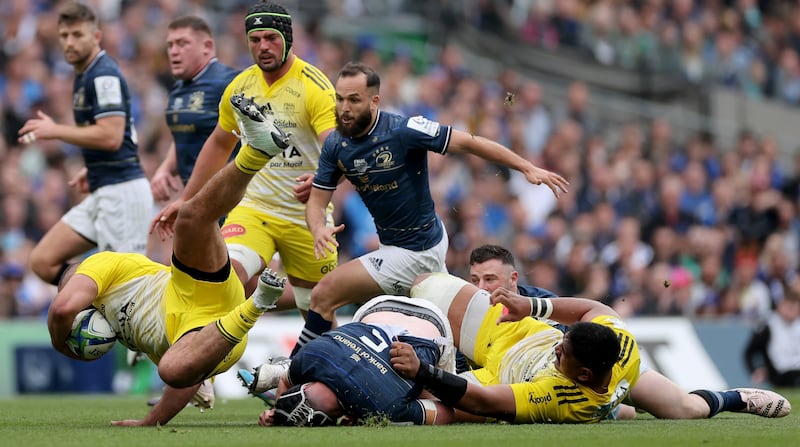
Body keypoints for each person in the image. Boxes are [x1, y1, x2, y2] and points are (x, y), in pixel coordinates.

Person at [47, 90, 292, 426]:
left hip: (192, 290)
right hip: (208, 334)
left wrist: (59, 343)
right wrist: (151, 423)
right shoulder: (128, 331)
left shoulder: (100, 265)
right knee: (171, 369)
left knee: (191, 216)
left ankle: (257, 150)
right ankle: (258, 303)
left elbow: (62, 309)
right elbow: (182, 376)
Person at [294, 61, 569, 355]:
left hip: (417, 250)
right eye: (339, 98)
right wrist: (318, 227)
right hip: (403, 246)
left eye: (354, 100)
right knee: (459, 335)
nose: (344, 108)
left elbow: (470, 143)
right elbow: (318, 200)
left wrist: (526, 167)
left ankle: (293, 375)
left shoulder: (403, 130)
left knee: (323, 294)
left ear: (374, 101)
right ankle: (528, 346)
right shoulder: (336, 144)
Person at [395, 272, 791, 422]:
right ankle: (738, 398)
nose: (556, 350)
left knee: (425, 401)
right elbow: (593, 308)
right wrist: (532, 306)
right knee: (687, 408)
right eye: (561, 343)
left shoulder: (557, 395)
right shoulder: (622, 346)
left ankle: (621, 412)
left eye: (561, 354)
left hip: (500, 371)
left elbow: (482, 401)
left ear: (582, 373)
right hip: (514, 329)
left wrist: (424, 373)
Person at [153, 1, 337, 318]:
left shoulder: (314, 86)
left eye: (271, 38)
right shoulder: (240, 87)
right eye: (255, 40)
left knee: (318, 312)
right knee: (227, 276)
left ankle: (287, 313)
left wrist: (322, 182)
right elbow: (218, 145)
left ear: (287, 38)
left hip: (305, 216)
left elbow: (338, 149)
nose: (263, 46)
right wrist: (186, 199)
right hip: (254, 210)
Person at [18, 1, 152, 286]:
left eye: (77, 35)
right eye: (65, 35)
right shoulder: (83, 74)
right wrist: (92, 168)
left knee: (123, 288)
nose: (69, 42)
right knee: (43, 259)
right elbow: (121, 134)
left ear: (96, 37)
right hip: (103, 186)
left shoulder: (103, 75)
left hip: (123, 193)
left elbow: (111, 135)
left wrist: (56, 131)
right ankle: (91, 293)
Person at [244, 295, 458, 426]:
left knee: (433, 395)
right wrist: (280, 409)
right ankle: (281, 368)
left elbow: (447, 412)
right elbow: (286, 383)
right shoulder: (307, 358)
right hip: (379, 307)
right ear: (305, 385)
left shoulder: (382, 409)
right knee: (404, 381)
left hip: (433, 328)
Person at [150, 16, 240, 203]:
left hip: (229, 200)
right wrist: (165, 168)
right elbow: (185, 135)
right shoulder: (178, 89)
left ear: (206, 46)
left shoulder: (229, 83)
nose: (174, 51)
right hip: (194, 200)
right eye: (170, 45)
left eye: (183, 44)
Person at [743, 289, 800, 387]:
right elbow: (750, 352)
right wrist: (755, 369)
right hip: (780, 374)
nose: (791, 310)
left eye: (794, 307)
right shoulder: (768, 326)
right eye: (788, 306)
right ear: (780, 306)